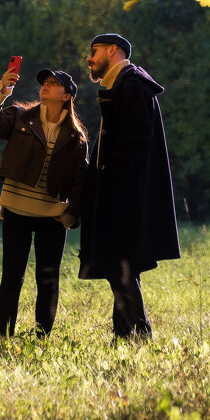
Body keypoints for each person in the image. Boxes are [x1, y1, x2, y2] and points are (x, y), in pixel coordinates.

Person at [79, 32, 180, 340]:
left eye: (94, 51)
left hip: (124, 197)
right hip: (122, 194)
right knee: (121, 265)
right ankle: (126, 336)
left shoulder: (132, 85)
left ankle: (139, 334)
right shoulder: (122, 84)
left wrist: (111, 186)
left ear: (113, 50)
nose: (89, 58)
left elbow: (133, 145)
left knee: (117, 264)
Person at [0, 64, 89, 338]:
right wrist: (0, 92)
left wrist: (68, 216)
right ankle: (5, 337)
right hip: (16, 210)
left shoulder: (76, 138)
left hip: (52, 218)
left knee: (48, 280)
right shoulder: (19, 117)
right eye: (45, 82)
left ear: (67, 96)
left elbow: (80, 182)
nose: (46, 85)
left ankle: (42, 338)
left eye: (54, 83)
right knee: (11, 278)